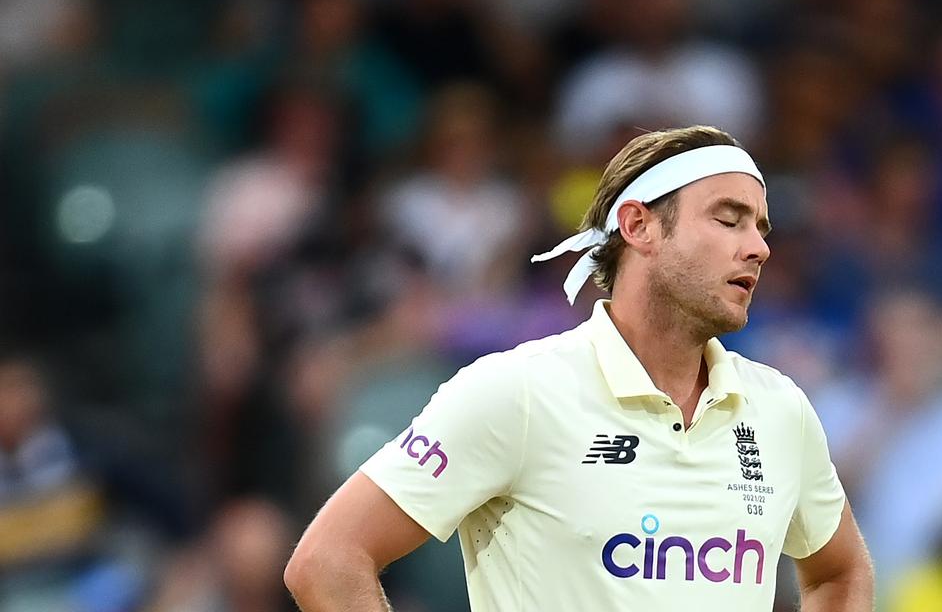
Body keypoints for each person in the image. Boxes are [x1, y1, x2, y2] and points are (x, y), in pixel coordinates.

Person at [285, 126, 875, 610]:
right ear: (639, 226)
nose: (759, 247)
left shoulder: (780, 408)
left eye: (760, 228)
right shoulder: (516, 390)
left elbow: (839, 574)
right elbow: (328, 561)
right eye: (728, 219)